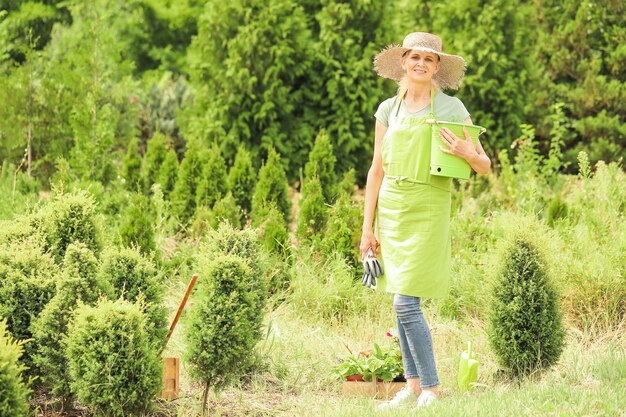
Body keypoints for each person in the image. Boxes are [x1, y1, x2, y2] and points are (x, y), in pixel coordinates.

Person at [360, 32, 491, 409]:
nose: (421, 63)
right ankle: (412, 386)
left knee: (405, 302)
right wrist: (367, 228)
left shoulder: (451, 107)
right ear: (403, 61)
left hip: (430, 206)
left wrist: (468, 151)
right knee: (398, 296)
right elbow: (375, 170)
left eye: (429, 59)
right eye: (414, 56)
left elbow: (483, 165)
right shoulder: (388, 109)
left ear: (436, 67)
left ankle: (431, 388)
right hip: (393, 208)